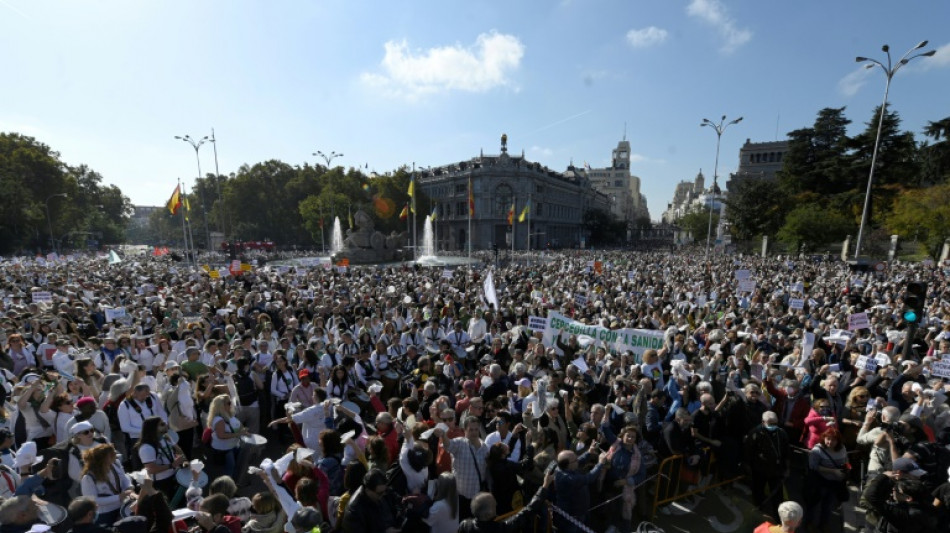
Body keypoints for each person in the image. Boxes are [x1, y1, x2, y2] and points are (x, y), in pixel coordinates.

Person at [456, 469, 555, 533]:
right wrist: (545, 486)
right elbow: (528, 510)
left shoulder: (465, 525)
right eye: (494, 505)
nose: (497, 504)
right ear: (488, 515)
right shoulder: (501, 528)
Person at [439, 415, 490, 519]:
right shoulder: (460, 443)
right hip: (460, 495)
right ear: (465, 430)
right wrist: (443, 436)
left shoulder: (485, 448)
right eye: (471, 430)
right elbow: (448, 445)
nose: (474, 432)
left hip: (477, 496)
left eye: (476, 429)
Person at [744, 411, 790, 521]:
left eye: (775, 423)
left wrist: (787, 468)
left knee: (777, 495)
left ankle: (777, 517)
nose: (773, 426)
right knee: (758, 492)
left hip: (776, 469)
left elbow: (786, 452)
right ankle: (759, 513)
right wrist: (748, 467)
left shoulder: (781, 433)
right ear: (763, 422)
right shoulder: (755, 433)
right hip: (759, 469)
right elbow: (747, 451)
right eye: (770, 423)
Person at [803, 427, 849, 532]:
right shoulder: (817, 450)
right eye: (828, 439)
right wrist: (833, 471)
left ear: (838, 441)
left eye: (833, 440)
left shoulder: (842, 449)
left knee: (828, 505)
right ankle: (809, 523)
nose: (830, 442)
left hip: (835, 483)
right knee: (813, 504)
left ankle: (823, 524)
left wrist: (846, 470)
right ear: (823, 438)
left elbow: (846, 460)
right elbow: (813, 466)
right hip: (819, 482)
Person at [79, 443, 133, 526]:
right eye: (112, 454)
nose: (116, 455)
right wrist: (118, 497)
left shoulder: (115, 464)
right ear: (104, 459)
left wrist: (129, 488)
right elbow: (93, 501)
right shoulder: (88, 478)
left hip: (122, 507)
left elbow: (124, 478)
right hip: (105, 514)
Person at [135, 416, 186, 498]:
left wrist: (183, 461)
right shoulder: (146, 447)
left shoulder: (165, 437)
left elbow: (178, 450)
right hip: (161, 482)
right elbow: (151, 469)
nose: (166, 425)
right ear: (153, 428)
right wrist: (172, 465)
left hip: (175, 476)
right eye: (162, 424)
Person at [340, 468, 399, 533]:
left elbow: (396, 500)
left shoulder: (383, 492)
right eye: (380, 493)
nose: (384, 495)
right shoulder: (354, 511)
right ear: (367, 490)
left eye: (385, 491)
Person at [207, 394, 247, 474]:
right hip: (225, 449)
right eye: (229, 403)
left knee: (233, 466)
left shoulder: (228, 414)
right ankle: (228, 485)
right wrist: (238, 434)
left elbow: (236, 425)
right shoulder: (219, 420)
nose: (231, 404)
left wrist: (243, 430)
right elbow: (221, 435)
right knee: (230, 468)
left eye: (230, 402)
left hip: (232, 446)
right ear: (221, 406)